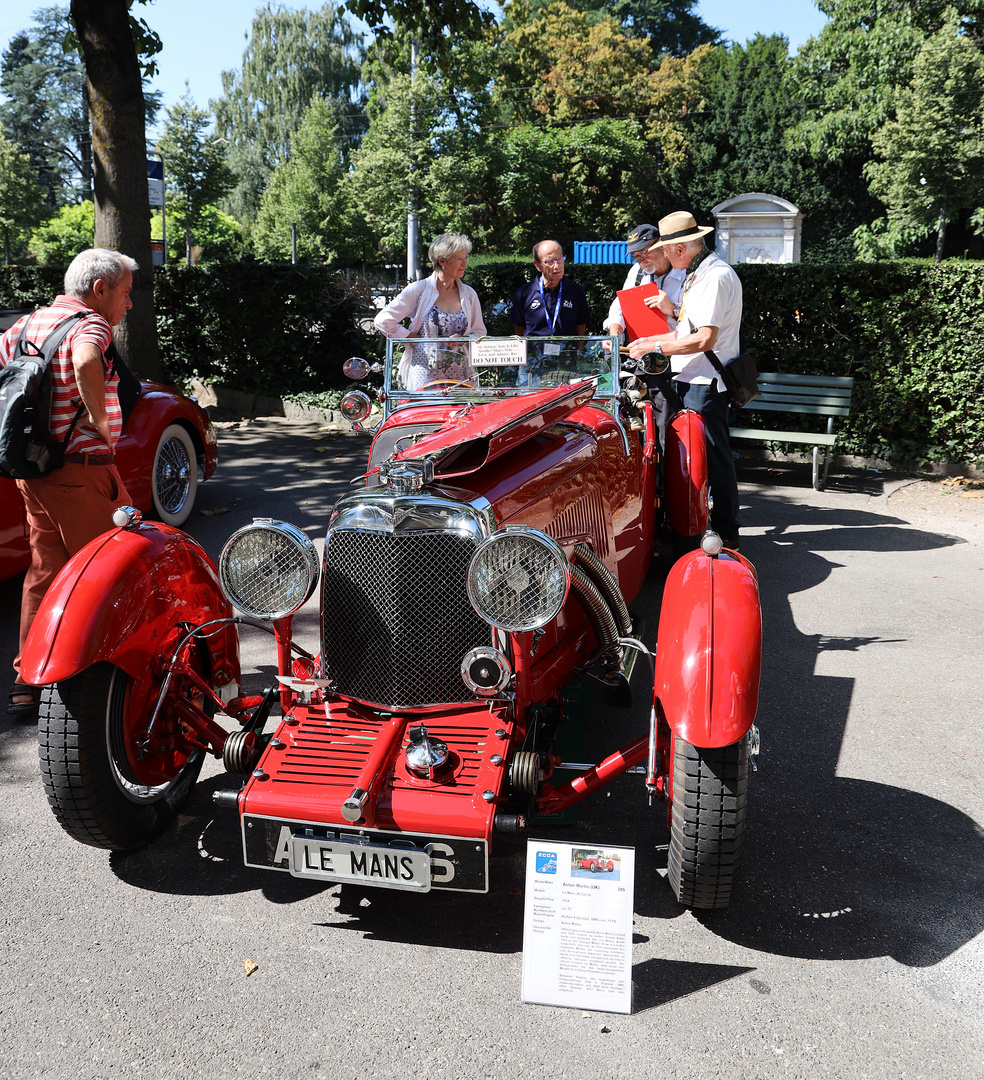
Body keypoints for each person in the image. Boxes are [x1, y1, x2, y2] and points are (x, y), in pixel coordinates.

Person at [1, 248, 136, 720]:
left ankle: (27, 680)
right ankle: (114, 680)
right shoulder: (90, 324)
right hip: (81, 470)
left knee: (46, 570)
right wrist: (102, 423)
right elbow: (84, 362)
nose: (128, 305)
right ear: (99, 290)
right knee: (114, 567)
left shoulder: (24, 325)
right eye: (124, 293)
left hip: (34, 471)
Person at [628, 211, 742, 548]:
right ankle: (703, 527)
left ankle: (726, 532)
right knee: (699, 458)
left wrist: (658, 344)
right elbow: (688, 327)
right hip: (694, 379)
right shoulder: (701, 273)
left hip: (705, 382)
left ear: (679, 249)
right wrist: (653, 342)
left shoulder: (714, 277)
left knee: (713, 458)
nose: (661, 255)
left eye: (665, 249)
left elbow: (704, 339)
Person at [374, 233, 486, 391]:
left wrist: (464, 339)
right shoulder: (419, 290)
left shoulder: (469, 294)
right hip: (424, 377)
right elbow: (383, 320)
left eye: (465, 257)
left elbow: (480, 332)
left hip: (461, 378)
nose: (465, 264)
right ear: (442, 261)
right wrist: (409, 337)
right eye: (459, 258)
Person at [604, 222, 686, 344]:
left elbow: (700, 324)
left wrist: (673, 310)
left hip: (678, 349)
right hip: (644, 352)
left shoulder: (685, 272)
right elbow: (621, 306)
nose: (640, 261)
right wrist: (614, 335)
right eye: (635, 256)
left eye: (643, 253)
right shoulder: (637, 271)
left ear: (660, 244)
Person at [510, 240, 590, 339]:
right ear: (537, 265)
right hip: (534, 352)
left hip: (567, 352)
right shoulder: (523, 294)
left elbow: (581, 327)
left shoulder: (576, 291)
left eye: (560, 259)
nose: (557, 266)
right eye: (550, 261)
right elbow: (519, 330)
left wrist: (577, 352)